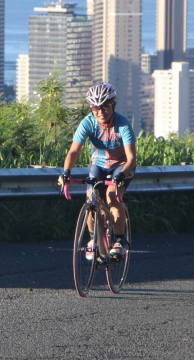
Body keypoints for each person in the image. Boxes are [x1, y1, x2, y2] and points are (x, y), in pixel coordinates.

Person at [59, 82, 137, 259]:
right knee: (91, 201)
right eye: (96, 108)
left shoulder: (122, 124)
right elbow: (73, 151)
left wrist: (121, 175)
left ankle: (118, 241)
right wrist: (66, 172)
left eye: (105, 107)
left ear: (113, 106)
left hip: (122, 165)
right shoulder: (88, 123)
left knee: (111, 197)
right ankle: (93, 240)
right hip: (100, 165)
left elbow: (132, 159)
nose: (101, 112)